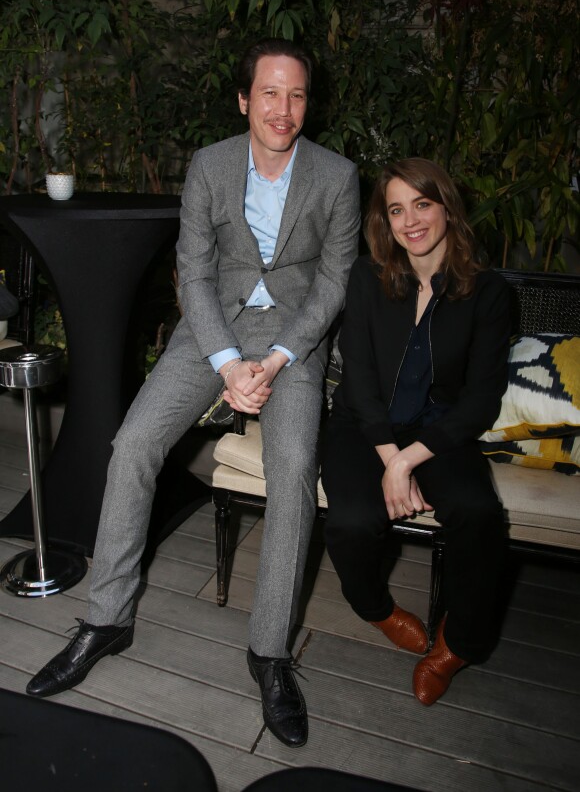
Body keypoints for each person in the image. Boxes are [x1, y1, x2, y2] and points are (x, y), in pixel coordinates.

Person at [26, 38, 361, 747]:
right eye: (269, 93)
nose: (283, 108)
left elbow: (333, 284)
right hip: (213, 325)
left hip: (293, 339)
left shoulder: (337, 176)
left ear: (309, 102)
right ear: (245, 100)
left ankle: (270, 652)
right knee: (134, 444)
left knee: (295, 469)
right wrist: (225, 362)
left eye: (296, 94)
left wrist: (272, 360)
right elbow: (194, 271)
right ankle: (106, 619)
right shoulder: (210, 166)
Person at [321, 158, 511, 706]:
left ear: (447, 207)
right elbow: (356, 376)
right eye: (396, 209)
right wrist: (387, 454)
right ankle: (376, 609)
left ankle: (459, 645)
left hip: (439, 432)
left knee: (478, 515)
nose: (410, 221)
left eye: (422, 204)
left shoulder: (489, 293)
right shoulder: (366, 277)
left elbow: (480, 400)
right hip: (365, 426)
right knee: (353, 522)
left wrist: (407, 462)